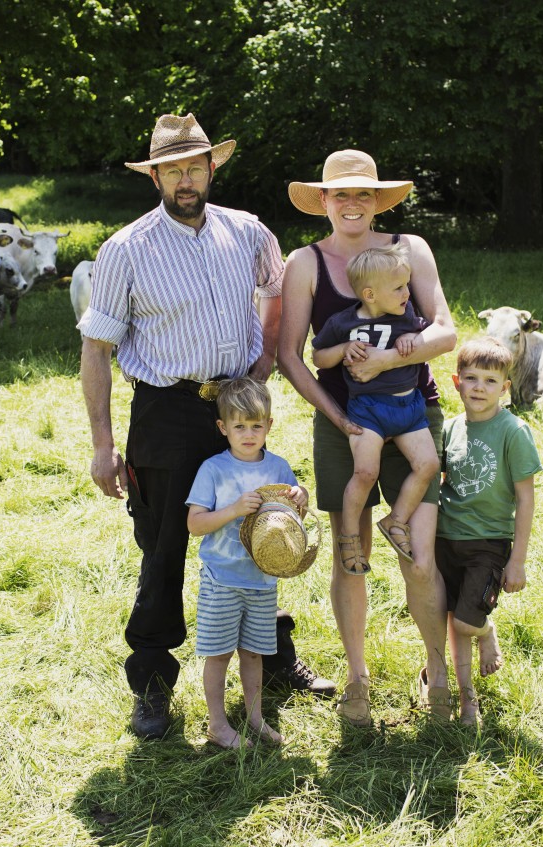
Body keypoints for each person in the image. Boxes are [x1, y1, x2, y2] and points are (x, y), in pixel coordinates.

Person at [78, 113, 334, 741]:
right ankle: (153, 686)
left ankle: (272, 662)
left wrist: (265, 362)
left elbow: (275, 297)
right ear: (156, 176)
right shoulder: (126, 250)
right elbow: (95, 353)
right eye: (172, 169)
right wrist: (104, 448)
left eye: (195, 166)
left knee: (261, 530)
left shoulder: (247, 232)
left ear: (212, 167)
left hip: (238, 406)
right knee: (163, 548)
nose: (185, 179)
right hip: (165, 412)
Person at [277, 149, 457, 726]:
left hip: (410, 414)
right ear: (324, 201)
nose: (352, 204)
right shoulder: (305, 263)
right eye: (340, 194)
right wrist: (337, 417)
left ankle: (437, 674)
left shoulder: (411, 249)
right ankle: (358, 680)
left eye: (363, 194)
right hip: (345, 422)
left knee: (421, 556)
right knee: (349, 557)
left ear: (378, 200)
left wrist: (385, 360)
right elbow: (292, 356)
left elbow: (446, 332)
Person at [186, 378, 306, 748]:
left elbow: (292, 516)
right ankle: (218, 725)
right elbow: (194, 524)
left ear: (269, 425)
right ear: (223, 428)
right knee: (219, 653)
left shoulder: (279, 467)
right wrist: (234, 510)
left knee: (254, 652)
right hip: (222, 578)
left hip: (262, 580)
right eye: (239, 426)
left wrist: (300, 495)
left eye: (257, 426)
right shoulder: (213, 469)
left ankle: (255, 718)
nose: (249, 434)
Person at [310, 241, 441, 576]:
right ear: (369, 294)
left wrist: (410, 343)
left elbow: (430, 338)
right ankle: (350, 536)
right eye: (398, 288)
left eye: (406, 286)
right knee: (365, 473)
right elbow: (318, 358)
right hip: (367, 412)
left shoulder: (407, 317)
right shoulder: (344, 323)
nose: (406, 294)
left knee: (428, 464)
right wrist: (343, 349)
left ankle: (396, 521)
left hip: (409, 408)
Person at [437, 337, 541, 725]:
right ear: (456, 382)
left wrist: (518, 561)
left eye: (490, 381)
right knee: (453, 621)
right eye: (471, 378)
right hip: (445, 540)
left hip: (489, 544)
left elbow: (526, 499)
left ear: (506, 388)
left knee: (468, 621)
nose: (479, 387)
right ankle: (466, 700)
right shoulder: (449, 429)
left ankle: (487, 629)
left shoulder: (513, 431)